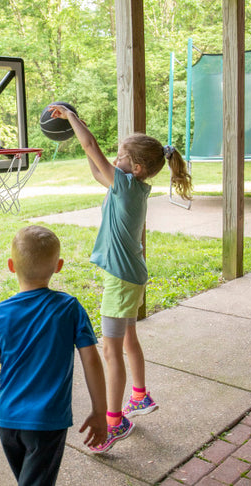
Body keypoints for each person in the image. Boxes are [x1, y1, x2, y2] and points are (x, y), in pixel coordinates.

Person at [47, 103, 193, 453]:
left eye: (121, 156)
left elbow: (91, 148)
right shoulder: (131, 186)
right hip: (132, 276)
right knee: (128, 340)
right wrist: (81, 138)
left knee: (111, 351)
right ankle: (139, 396)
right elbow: (98, 170)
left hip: (120, 280)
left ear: (136, 167)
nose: (115, 159)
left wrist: (72, 118)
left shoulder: (127, 187)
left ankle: (115, 421)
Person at [0, 225, 108, 485]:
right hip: (47, 422)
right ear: (58, 266)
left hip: (8, 419)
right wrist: (99, 411)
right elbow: (91, 360)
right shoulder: (70, 308)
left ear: (11, 266)